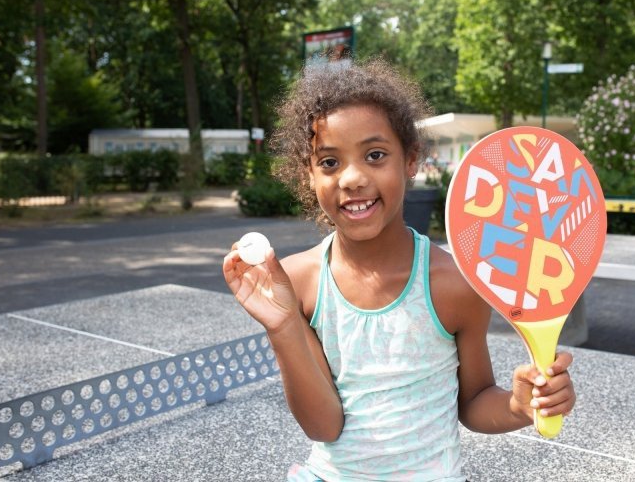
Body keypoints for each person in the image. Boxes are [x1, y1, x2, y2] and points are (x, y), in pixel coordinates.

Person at [222, 60, 575, 481]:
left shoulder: (454, 283)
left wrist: (518, 405)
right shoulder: (298, 281)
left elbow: (475, 400)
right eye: (330, 163)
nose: (352, 178)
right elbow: (324, 426)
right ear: (308, 176)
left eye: (375, 155)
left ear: (410, 160)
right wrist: (282, 329)